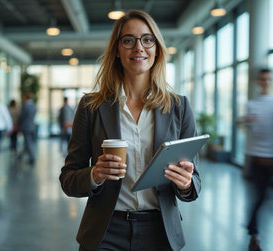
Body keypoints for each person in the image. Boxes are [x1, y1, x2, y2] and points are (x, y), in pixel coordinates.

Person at [59, 10, 200, 251]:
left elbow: (194, 181)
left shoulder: (179, 107)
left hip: (159, 232)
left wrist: (185, 183)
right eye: (128, 40)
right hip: (105, 232)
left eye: (147, 39)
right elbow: (69, 179)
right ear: (116, 50)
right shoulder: (91, 107)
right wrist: (95, 175)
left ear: (157, 49)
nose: (139, 48)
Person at [237, 68, 273, 251]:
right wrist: (245, 121)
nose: (266, 82)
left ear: (272, 82)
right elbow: (242, 125)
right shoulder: (252, 105)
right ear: (258, 82)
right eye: (263, 79)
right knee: (260, 198)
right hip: (258, 160)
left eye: (268, 79)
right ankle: (254, 236)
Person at [18, 92, 37, 164]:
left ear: (26, 98)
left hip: (26, 126)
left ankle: (32, 157)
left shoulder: (25, 106)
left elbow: (22, 117)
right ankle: (21, 155)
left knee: (28, 142)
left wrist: (19, 124)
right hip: (32, 126)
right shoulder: (34, 105)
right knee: (28, 142)